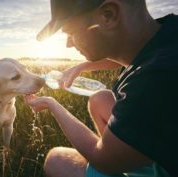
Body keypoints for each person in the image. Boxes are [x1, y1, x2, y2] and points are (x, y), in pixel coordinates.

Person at [24, 0, 178, 177]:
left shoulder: (156, 79)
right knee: (100, 99)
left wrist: (52, 105)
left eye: (71, 32)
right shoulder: (168, 33)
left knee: (56, 160)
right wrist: (82, 66)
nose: (68, 44)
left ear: (108, 15)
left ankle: (121, 155)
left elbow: (103, 160)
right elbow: (133, 51)